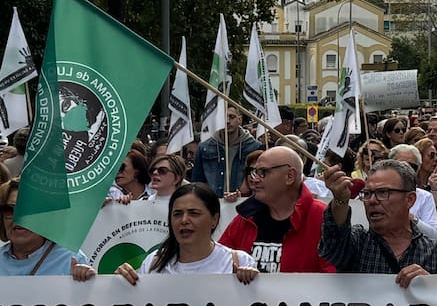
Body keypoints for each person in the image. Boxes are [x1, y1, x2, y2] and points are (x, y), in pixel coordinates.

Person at [74, 184, 257, 284]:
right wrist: (121, 285)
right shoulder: (153, 263)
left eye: (194, 213)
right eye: (177, 214)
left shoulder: (239, 262)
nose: (184, 220)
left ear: (214, 219)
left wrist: (252, 283)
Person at [320, 158, 437, 284]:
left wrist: (432, 287)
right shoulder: (357, 244)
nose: (372, 200)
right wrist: (340, 199)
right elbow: (333, 242)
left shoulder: (436, 253)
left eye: (383, 192)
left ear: (410, 199)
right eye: (367, 194)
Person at [218, 146, 333, 273]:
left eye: (263, 172)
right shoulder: (245, 218)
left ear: (290, 176)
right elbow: (219, 264)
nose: (255, 179)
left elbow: (333, 278)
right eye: (254, 172)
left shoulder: (322, 218)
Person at [1, 179, 87, 276]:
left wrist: (86, 281)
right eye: (9, 210)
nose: (18, 217)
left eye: (28, 209)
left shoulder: (71, 260)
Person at [192, 107, 263, 195]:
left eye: (232, 117)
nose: (227, 121)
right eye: (223, 118)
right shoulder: (204, 147)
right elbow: (197, 181)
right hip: (214, 202)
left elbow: (261, 178)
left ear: (239, 119)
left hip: (243, 201)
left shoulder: (254, 146)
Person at [389, 144, 437, 234]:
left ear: (418, 169)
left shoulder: (425, 197)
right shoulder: (377, 194)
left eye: (412, 166)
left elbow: (434, 234)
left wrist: (412, 219)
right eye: (400, 165)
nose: (406, 170)